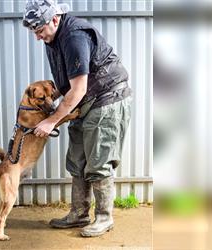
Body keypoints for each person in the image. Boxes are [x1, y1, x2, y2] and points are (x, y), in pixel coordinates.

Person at [22, 0, 132, 237]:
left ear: (54, 19)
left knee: (99, 161)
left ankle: (104, 218)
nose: (37, 37)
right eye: (34, 32)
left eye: (39, 30)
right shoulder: (53, 38)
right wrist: (48, 104)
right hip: (85, 100)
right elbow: (69, 83)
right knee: (77, 159)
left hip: (106, 99)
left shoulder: (73, 36)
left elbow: (79, 89)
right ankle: (78, 213)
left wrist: (52, 120)